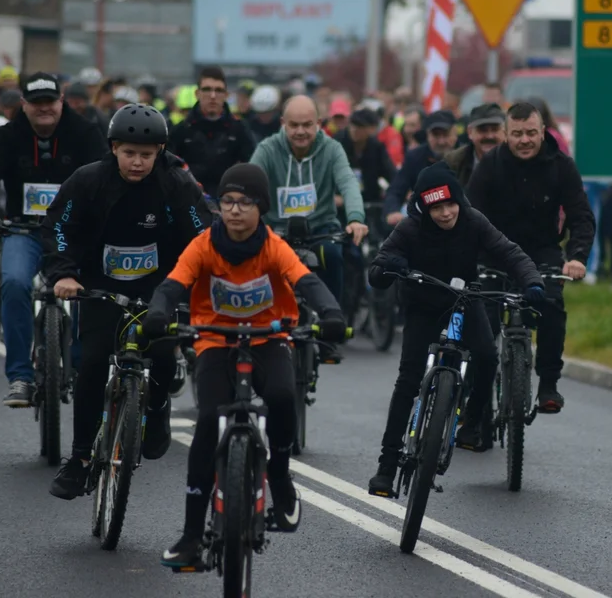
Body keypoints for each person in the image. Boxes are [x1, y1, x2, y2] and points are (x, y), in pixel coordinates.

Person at [143, 164, 347, 567]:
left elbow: (306, 281)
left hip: (268, 338)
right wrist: (159, 310)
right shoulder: (203, 244)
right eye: (228, 202)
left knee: (283, 397)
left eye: (246, 203)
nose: (235, 211)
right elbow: (173, 284)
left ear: (262, 208)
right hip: (216, 339)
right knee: (208, 422)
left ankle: (282, 477)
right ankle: (189, 535)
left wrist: (331, 312)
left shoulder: (273, 247)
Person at [40, 104, 212, 499]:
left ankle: (156, 411)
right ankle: (81, 459)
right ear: (114, 148)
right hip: (100, 283)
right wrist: (63, 274)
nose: (137, 162)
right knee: (93, 362)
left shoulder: (177, 183)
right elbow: (57, 227)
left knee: (165, 356)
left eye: (147, 155)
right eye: (129, 153)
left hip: (160, 283)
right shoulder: (87, 180)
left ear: (161, 152)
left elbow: (203, 237)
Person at [365, 162, 545, 492]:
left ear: (460, 201)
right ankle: (386, 466)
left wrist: (531, 281)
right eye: (437, 207)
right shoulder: (408, 229)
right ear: (423, 207)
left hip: (464, 300)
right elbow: (376, 273)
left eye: (451, 205)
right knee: (408, 380)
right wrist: (389, 268)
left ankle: (472, 424)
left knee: (487, 356)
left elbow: (509, 252)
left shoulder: (473, 221)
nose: (446, 214)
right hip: (422, 306)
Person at [0, 72, 108, 407]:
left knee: (86, 288)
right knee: (14, 283)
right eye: (36, 103)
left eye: (50, 101)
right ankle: (20, 377)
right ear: (24, 105)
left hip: (73, 233)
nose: (44, 108)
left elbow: (105, 174)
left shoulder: (86, 132)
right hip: (23, 229)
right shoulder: (7, 134)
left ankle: (77, 362)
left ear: (61, 101)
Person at [467, 101, 595, 413]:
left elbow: (581, 217)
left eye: (531, 133)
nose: (525, 140)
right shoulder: (490, 166)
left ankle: (548, 385)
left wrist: (577, 257)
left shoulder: (562, 166)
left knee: (552, 305)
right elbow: (469, 217)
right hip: (494, 252)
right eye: (517, 134)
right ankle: (475, 400)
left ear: (543, 132)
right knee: (482, 320)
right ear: (506, 136)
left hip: (542, 251)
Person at [249, 95, 368, 312]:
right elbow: (249, 182)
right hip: (276, 232)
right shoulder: (267, 149)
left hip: (320, 229)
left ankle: (332, 317)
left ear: (319, 124)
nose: (300, 131)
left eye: (307, 125)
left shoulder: (332, 149)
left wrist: (355, 218)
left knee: (332, 255)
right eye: (294, 125)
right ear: (283, 124)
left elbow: (348, 182)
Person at [167, 66, 255, 197]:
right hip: (189, 201)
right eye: (207, 89)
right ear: (197, 93)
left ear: (226, 95)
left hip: (228, 202)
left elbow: (252, 167)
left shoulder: (239, 130)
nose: (213, 96)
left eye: (218, 90)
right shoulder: (181, 130)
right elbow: (168, 168)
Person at [383, 110, 457, 226]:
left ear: (455, 134)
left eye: (445, 135)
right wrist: (393, 211)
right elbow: (396, 189)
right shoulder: (414, 157)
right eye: (436, 135)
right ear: (427, 135)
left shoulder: (465, 156)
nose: (441, 141)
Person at [332, 108, 397, 206]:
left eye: (360, 126)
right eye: (353, 125)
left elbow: (391, 174)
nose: (355, 129)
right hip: (340, 201)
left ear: (372, 129)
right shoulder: (337, 143)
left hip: (369, 201)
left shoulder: (376, 147)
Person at [443, 103, 505, 187]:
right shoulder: (454, 162)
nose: (489, 136)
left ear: (505, 131)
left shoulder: (515, 158)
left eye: (495, 129)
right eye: (482, 130)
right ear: (470, 132)